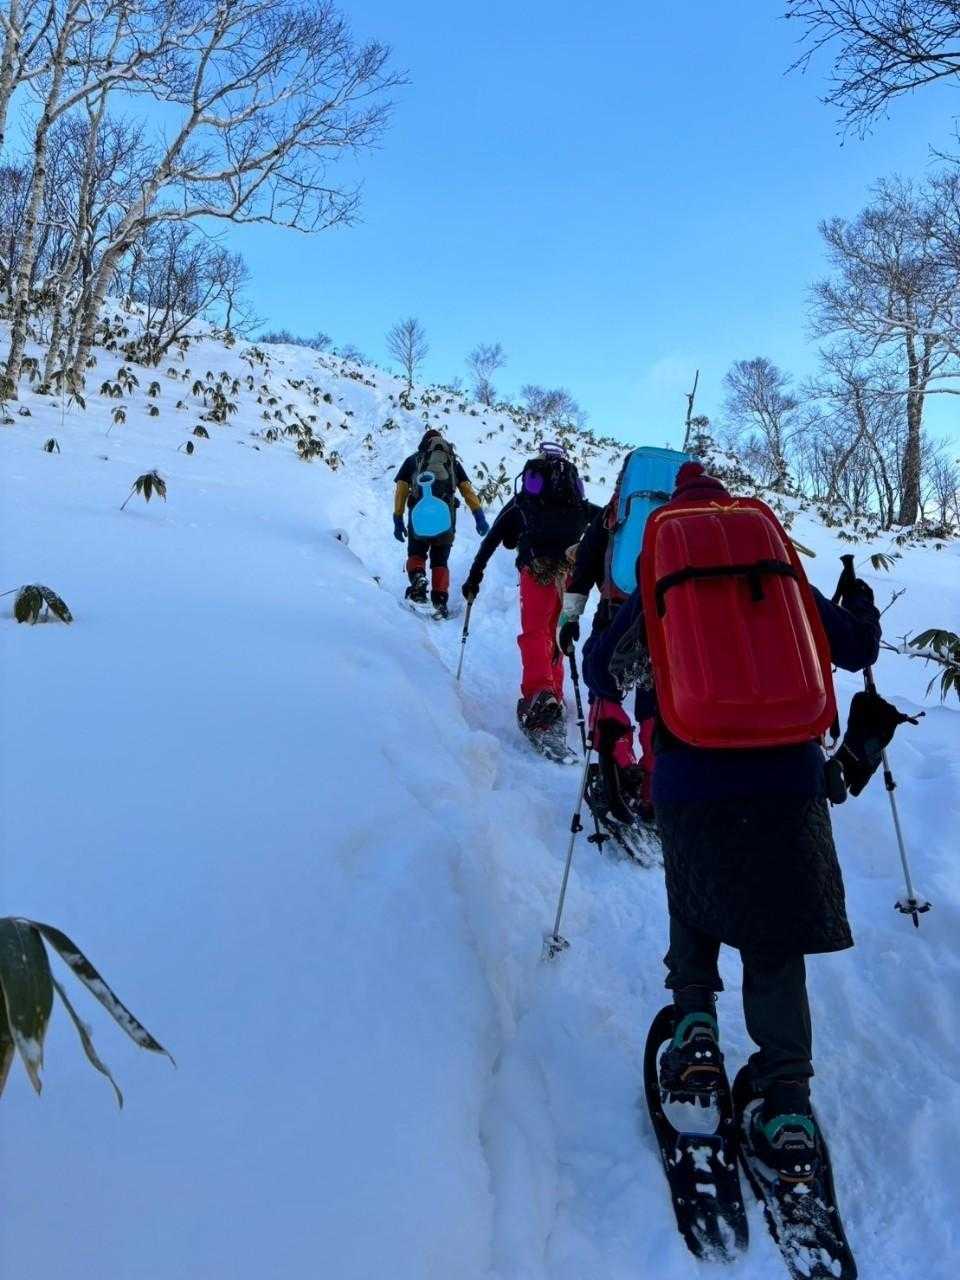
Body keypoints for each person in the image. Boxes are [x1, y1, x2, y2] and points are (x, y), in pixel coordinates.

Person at [583, 461, 881, 1178]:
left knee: (695, 897)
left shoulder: (663, 570)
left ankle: (694, 1030)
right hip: (789, 779)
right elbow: (858, 649)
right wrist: (862, 605)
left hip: (692, 776)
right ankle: (786, 1103)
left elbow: (603, 670)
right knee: (775, 935)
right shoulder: (775, 566)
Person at [461, 444, 599, 744]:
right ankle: (554, 696)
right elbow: (602, 522)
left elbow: (493, 539)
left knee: (535, 632)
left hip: (536, 570)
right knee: (558, 633)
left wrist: (474, 577)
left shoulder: (524, 500)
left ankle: (540, 695)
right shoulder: (575, 500)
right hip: (569, 574)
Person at [558, 488, 654, 820]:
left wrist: (569, 620)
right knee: (656, 698)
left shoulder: (614, 514)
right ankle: (654, 786)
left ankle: (619, 765)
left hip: (615, 615)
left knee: (603, 683)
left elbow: (583, 569)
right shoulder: (678, 517)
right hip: (665, 619)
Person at [393, 430, 488, 617]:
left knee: (416, 553)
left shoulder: (413, 460)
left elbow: (401, 490)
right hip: (446, 520)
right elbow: (467, 491)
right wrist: (479, 517)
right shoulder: (452, 463)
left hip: (419, 518)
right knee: (440, 561)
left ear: (424, 444)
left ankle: (418, 581)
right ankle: (440, 602)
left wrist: (398, 518)